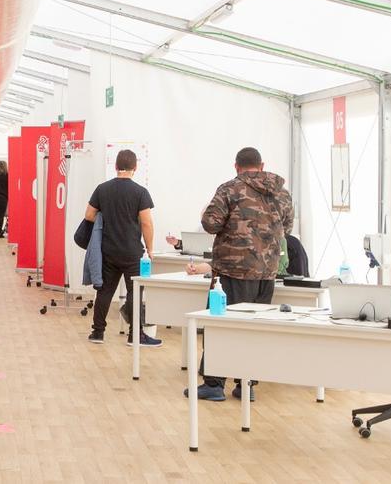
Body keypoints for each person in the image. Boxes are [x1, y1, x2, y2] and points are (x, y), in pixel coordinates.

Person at [187, 147, 294, 403]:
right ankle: (247, 383)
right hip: (267, 272)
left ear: (236, 166)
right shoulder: (282, 193)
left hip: (231, 271)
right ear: (262, 164)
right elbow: (287, 228)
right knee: (254, 329)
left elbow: (210, 224)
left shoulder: (229, 189)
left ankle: (214, 383)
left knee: (220, 325)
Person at [84, 150, 162, 347]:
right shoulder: (140, 192)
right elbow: (146, 223)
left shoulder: (102, 189)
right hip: (132, 252)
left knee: (104, 291)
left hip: (108, 250)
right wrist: (150, 248)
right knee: (134, 292)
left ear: (116, 166)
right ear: (135, 168)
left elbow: (89, 215)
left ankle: (98, 332)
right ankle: (135, 335)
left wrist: (107, 218)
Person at [184, 233, 309, 278]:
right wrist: (196, 269)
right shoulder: (242, 240)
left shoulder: (289, 243)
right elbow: (221, 263)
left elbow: (300, 277)